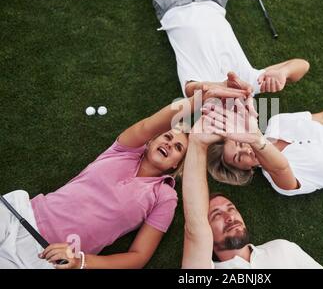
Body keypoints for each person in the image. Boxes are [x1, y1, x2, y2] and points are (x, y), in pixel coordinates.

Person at [0, 87, 246, 269]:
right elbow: (150, 124)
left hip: (46, 257)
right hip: (19, 216)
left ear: (176, 166)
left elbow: (138, 256)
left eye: (178, 148)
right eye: (167, 137)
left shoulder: (164, 195)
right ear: (151, 141)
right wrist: (201, 98)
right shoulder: (124, 150)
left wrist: (81, 261)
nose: (170, 144)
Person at [139, 0, 310, 97]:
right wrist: (283, 72)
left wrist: (222, 86)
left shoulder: (203, 97)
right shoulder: (250, 84)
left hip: (172, 3)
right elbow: (303, 64)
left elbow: (191, 89)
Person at [181, 116, 323, 268]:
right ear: (206, 231)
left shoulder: (282, 249)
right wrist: (197, 143)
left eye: (232, 209)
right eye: (216, 215)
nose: (229, 217)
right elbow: (195, 225)